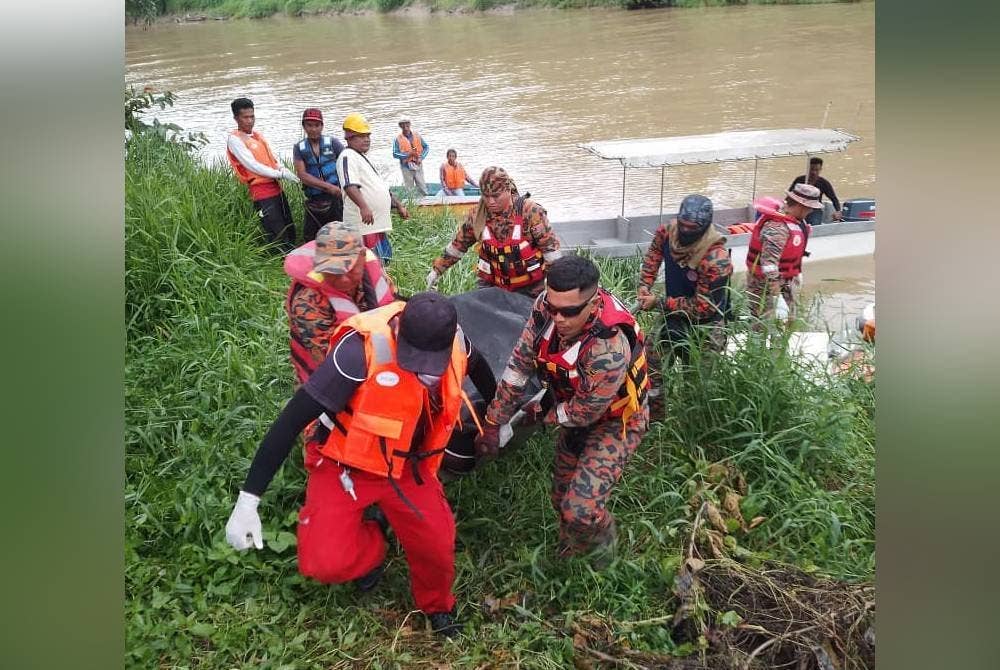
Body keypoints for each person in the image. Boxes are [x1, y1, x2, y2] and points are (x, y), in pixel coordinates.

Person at [224, 293, 496, 638]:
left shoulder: (457, 342)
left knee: (437, 546)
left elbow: (481, 370)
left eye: (431, 364)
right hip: (347, 466)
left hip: (408, 468)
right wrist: (248, 501)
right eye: (414, 360)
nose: (423, 372)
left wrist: (495, 420)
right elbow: (290, 422)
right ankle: (373, 546)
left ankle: (437, 605)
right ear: (398, 330)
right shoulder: (357, 353)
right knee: (324, 563)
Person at [474, 255, 650, 568]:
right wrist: (493, 421)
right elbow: (519, 366)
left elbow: (583, 413)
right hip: (571, 407)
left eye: (569, 312)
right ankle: (573, 546)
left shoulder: (607, 350)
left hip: (614, 420)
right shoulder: (545, 307)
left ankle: (603, 552)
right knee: (561, 497)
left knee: (580, 510)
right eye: (553, 307)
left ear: (593, 304)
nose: (558, 318)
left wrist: (538, 415)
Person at [284, 221, 397, 383]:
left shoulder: (376, 276)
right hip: (328, 375)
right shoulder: (307, 300)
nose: (343, 279)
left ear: (362, 256)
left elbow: (392, 314)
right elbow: (329, 359)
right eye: (334, 271)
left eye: (349, 269)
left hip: (370, 358)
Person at [426, 167, 561, 298]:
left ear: (508, 190)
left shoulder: (530, 212)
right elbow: (458, 246)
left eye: (496, 196)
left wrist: (554, 285)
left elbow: (551, 252)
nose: (491, 202)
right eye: (486, 196)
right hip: (492, 286)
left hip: (531, 288)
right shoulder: (478, 216)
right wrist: (437, 270)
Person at [636, 194, 733, 362]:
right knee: (649, 364)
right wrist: (645, 284)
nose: (686, 231)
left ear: (704, 226)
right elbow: (654, 253)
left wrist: (658, 303)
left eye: (692, 227)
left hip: (706, 325)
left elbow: (703, 308)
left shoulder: (717, 260)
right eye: (683, 225)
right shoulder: (667, 232)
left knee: (696, 374)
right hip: (672, 313)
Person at [226, 97, 300, 251]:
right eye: (245, 117)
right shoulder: (235, 140)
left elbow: (271, 159)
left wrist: (282, 169)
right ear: (236, 118)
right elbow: (252, 165)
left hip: (276, 188)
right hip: (261, 192)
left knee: (289, 226)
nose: (250, 121)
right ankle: (281, 260)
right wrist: (279, 174)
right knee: (276, 232)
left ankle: (293, 256)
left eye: (252, 116)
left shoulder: (257, 136)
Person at [337, 112, 410, 265]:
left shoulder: (361, 157)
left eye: (368, 136)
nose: (367, 139)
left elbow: (380, 186)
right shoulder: (347, 156)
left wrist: (398, 205)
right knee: (369, 265)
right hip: (363, 227)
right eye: (361, 136)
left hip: (376, 225)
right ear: (349, 137)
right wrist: (364, 207)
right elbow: (349, 185)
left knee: (381, 262)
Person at [745, 183, 822, 324]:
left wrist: (796, 273)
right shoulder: (777, 228)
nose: (811, 211)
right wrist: (777, 297)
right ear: (800, 205)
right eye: (810, 208)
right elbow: (769, 265)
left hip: (786, 281)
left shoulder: (796, 219)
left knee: (788, 322)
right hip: (765, 285)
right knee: (763, 325)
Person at [292, 108, 346, 242]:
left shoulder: (333, 143)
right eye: (309, 125)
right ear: (304, 126)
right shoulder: (299, 148)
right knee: (311, 237)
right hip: (314, 200)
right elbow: (302, 175)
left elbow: (348, 162)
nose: (313, 129)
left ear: (322, 126)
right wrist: (328, 187)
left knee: (338, 235)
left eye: (317, 125)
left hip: (336, 198)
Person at [789, 157, 842, 226]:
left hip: (815, 209)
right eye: (812, 169)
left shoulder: (824, 183)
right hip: (799, 207)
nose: (813, 172)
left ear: (820, 170)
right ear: (808, 169)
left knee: (814, 226)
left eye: (816, 170)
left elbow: (833, 198)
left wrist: (838, 211)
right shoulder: (799, 180)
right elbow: (790, 195)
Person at [392, 115, 429, 195]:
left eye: (407, 123)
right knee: (409, 190)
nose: (405, 126)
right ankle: (411, 202)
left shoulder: (417, 135)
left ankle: (425, 200)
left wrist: (421, 157)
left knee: (422, 187)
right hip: (406, 166)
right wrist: (408, 155)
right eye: (403, 124)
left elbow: (426, 147)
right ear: (400, 126)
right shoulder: (397, 139)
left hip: (418, 164)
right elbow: (395, 154)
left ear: (410, 124)